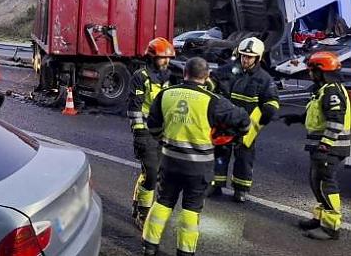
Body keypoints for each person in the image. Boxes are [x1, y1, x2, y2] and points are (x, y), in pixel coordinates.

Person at [142, 57, 250, 256]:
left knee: (163, 201)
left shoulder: (166, 94)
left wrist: (164, 140)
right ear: (207, 76)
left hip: (169, 161)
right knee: (191, 210)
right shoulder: (213, 101)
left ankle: (149, 246)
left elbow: (153, 125)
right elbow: (243, 120)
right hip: (198, 167)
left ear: (184, 73)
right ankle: (184, 251)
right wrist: (231, 137)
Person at [283, 51, 349, 240]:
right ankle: (320, 218)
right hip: (323, 145)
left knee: (325, 184)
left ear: (322, 71)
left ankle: (330, 228)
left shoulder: (332, 91)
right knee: (316, 181)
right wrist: (297, 118)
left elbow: (336, 121)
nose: (309, 74)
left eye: (312, 70)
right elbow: (318, 114)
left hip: (331, 147)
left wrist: (325, 146)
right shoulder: (323, 89)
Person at [208, 37, 279, 202]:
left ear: (258, 58)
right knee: (220, 154)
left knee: (244, 158)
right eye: (243, 56)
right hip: (224, 122)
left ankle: (240, 190)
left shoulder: (264, 79)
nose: (245, 59)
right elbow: (212, 81)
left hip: (246, 126)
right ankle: (216, 184)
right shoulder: (228, 70)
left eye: (249, 57)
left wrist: (269, 109)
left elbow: (272, 100)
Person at [127, 37, 175, 229]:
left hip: (163, 134)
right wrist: (138, 132)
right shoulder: (141, 76)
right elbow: (134, 107)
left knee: (152, 172)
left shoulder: (169, 76)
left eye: (168, 58)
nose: (167, 61)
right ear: (152, 57)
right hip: (145, 132)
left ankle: (137, 202)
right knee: (153, 174)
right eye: (163, 58)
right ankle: (143, 213)